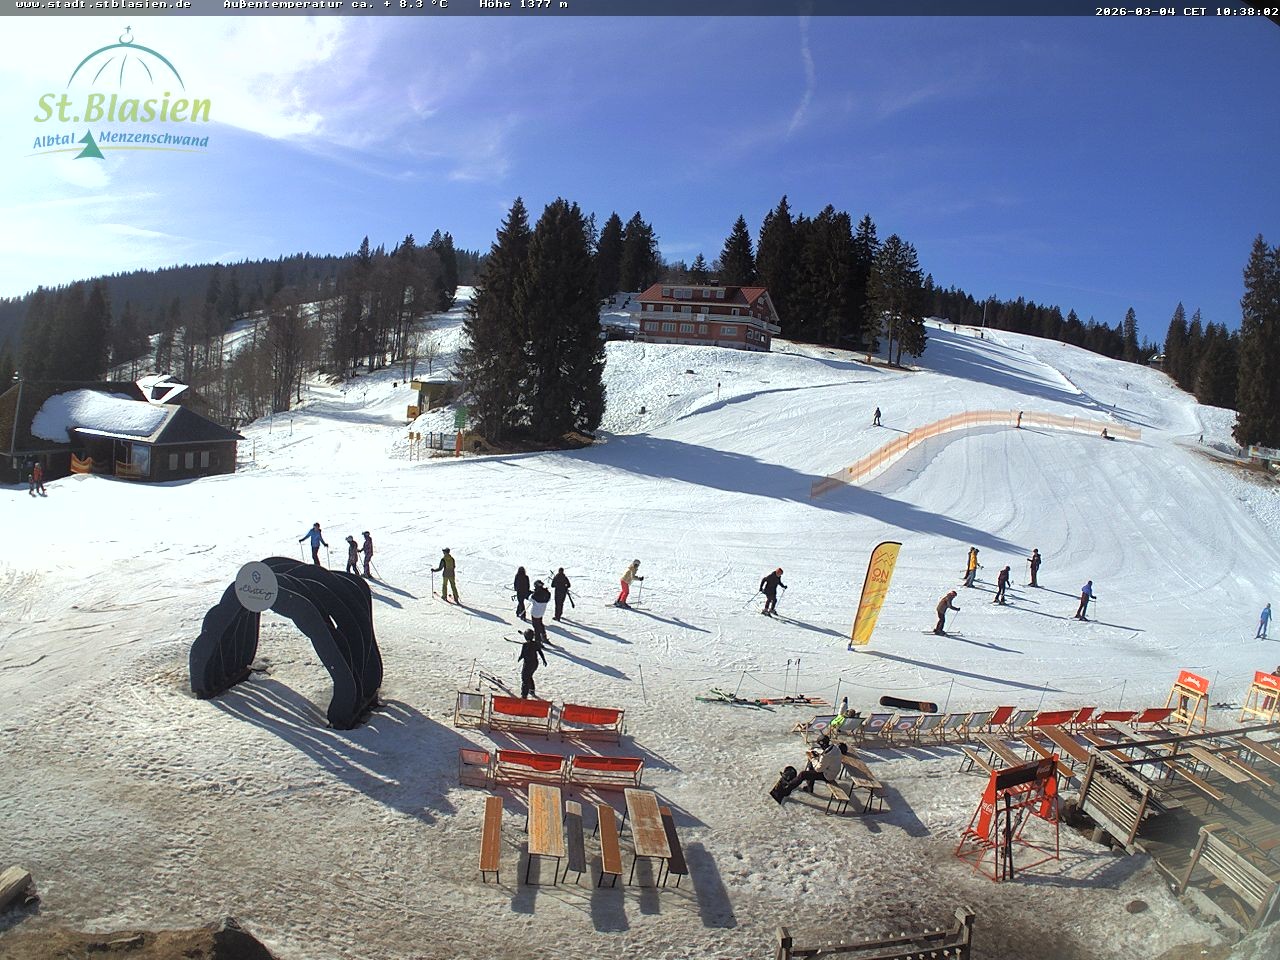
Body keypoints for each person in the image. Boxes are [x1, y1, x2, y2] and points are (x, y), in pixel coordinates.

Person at [771, 735, 843, 803]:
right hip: (832, 770)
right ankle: (809, 787)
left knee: (803, 774)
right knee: (811, 764)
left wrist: (813, 758)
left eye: (821, 745)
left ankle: (786, 791)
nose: (821, 747)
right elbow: (827, 761)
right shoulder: (835, 748)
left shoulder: (827, 755)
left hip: (828, 776)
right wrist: (816, 757)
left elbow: (818, 769)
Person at [517, 628, 548, 699]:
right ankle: (532, 690)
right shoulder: (536, 644)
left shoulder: (525, 645)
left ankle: (524, 694)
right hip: (534, 663)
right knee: (529, 676)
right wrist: (544, 660)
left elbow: (522, 654)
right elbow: (540, 652)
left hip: (528, 664)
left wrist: (520, 658)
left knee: (525, 678)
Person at [529, 579, 552, 644]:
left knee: (536, 626)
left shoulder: (536, 594)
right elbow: (548, 599)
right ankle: (543, 636)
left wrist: (533, 593)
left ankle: (538, 640)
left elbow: (530, 599)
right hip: (542, 611)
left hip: (535, 612)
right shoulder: (547, 592)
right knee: (540, 623)